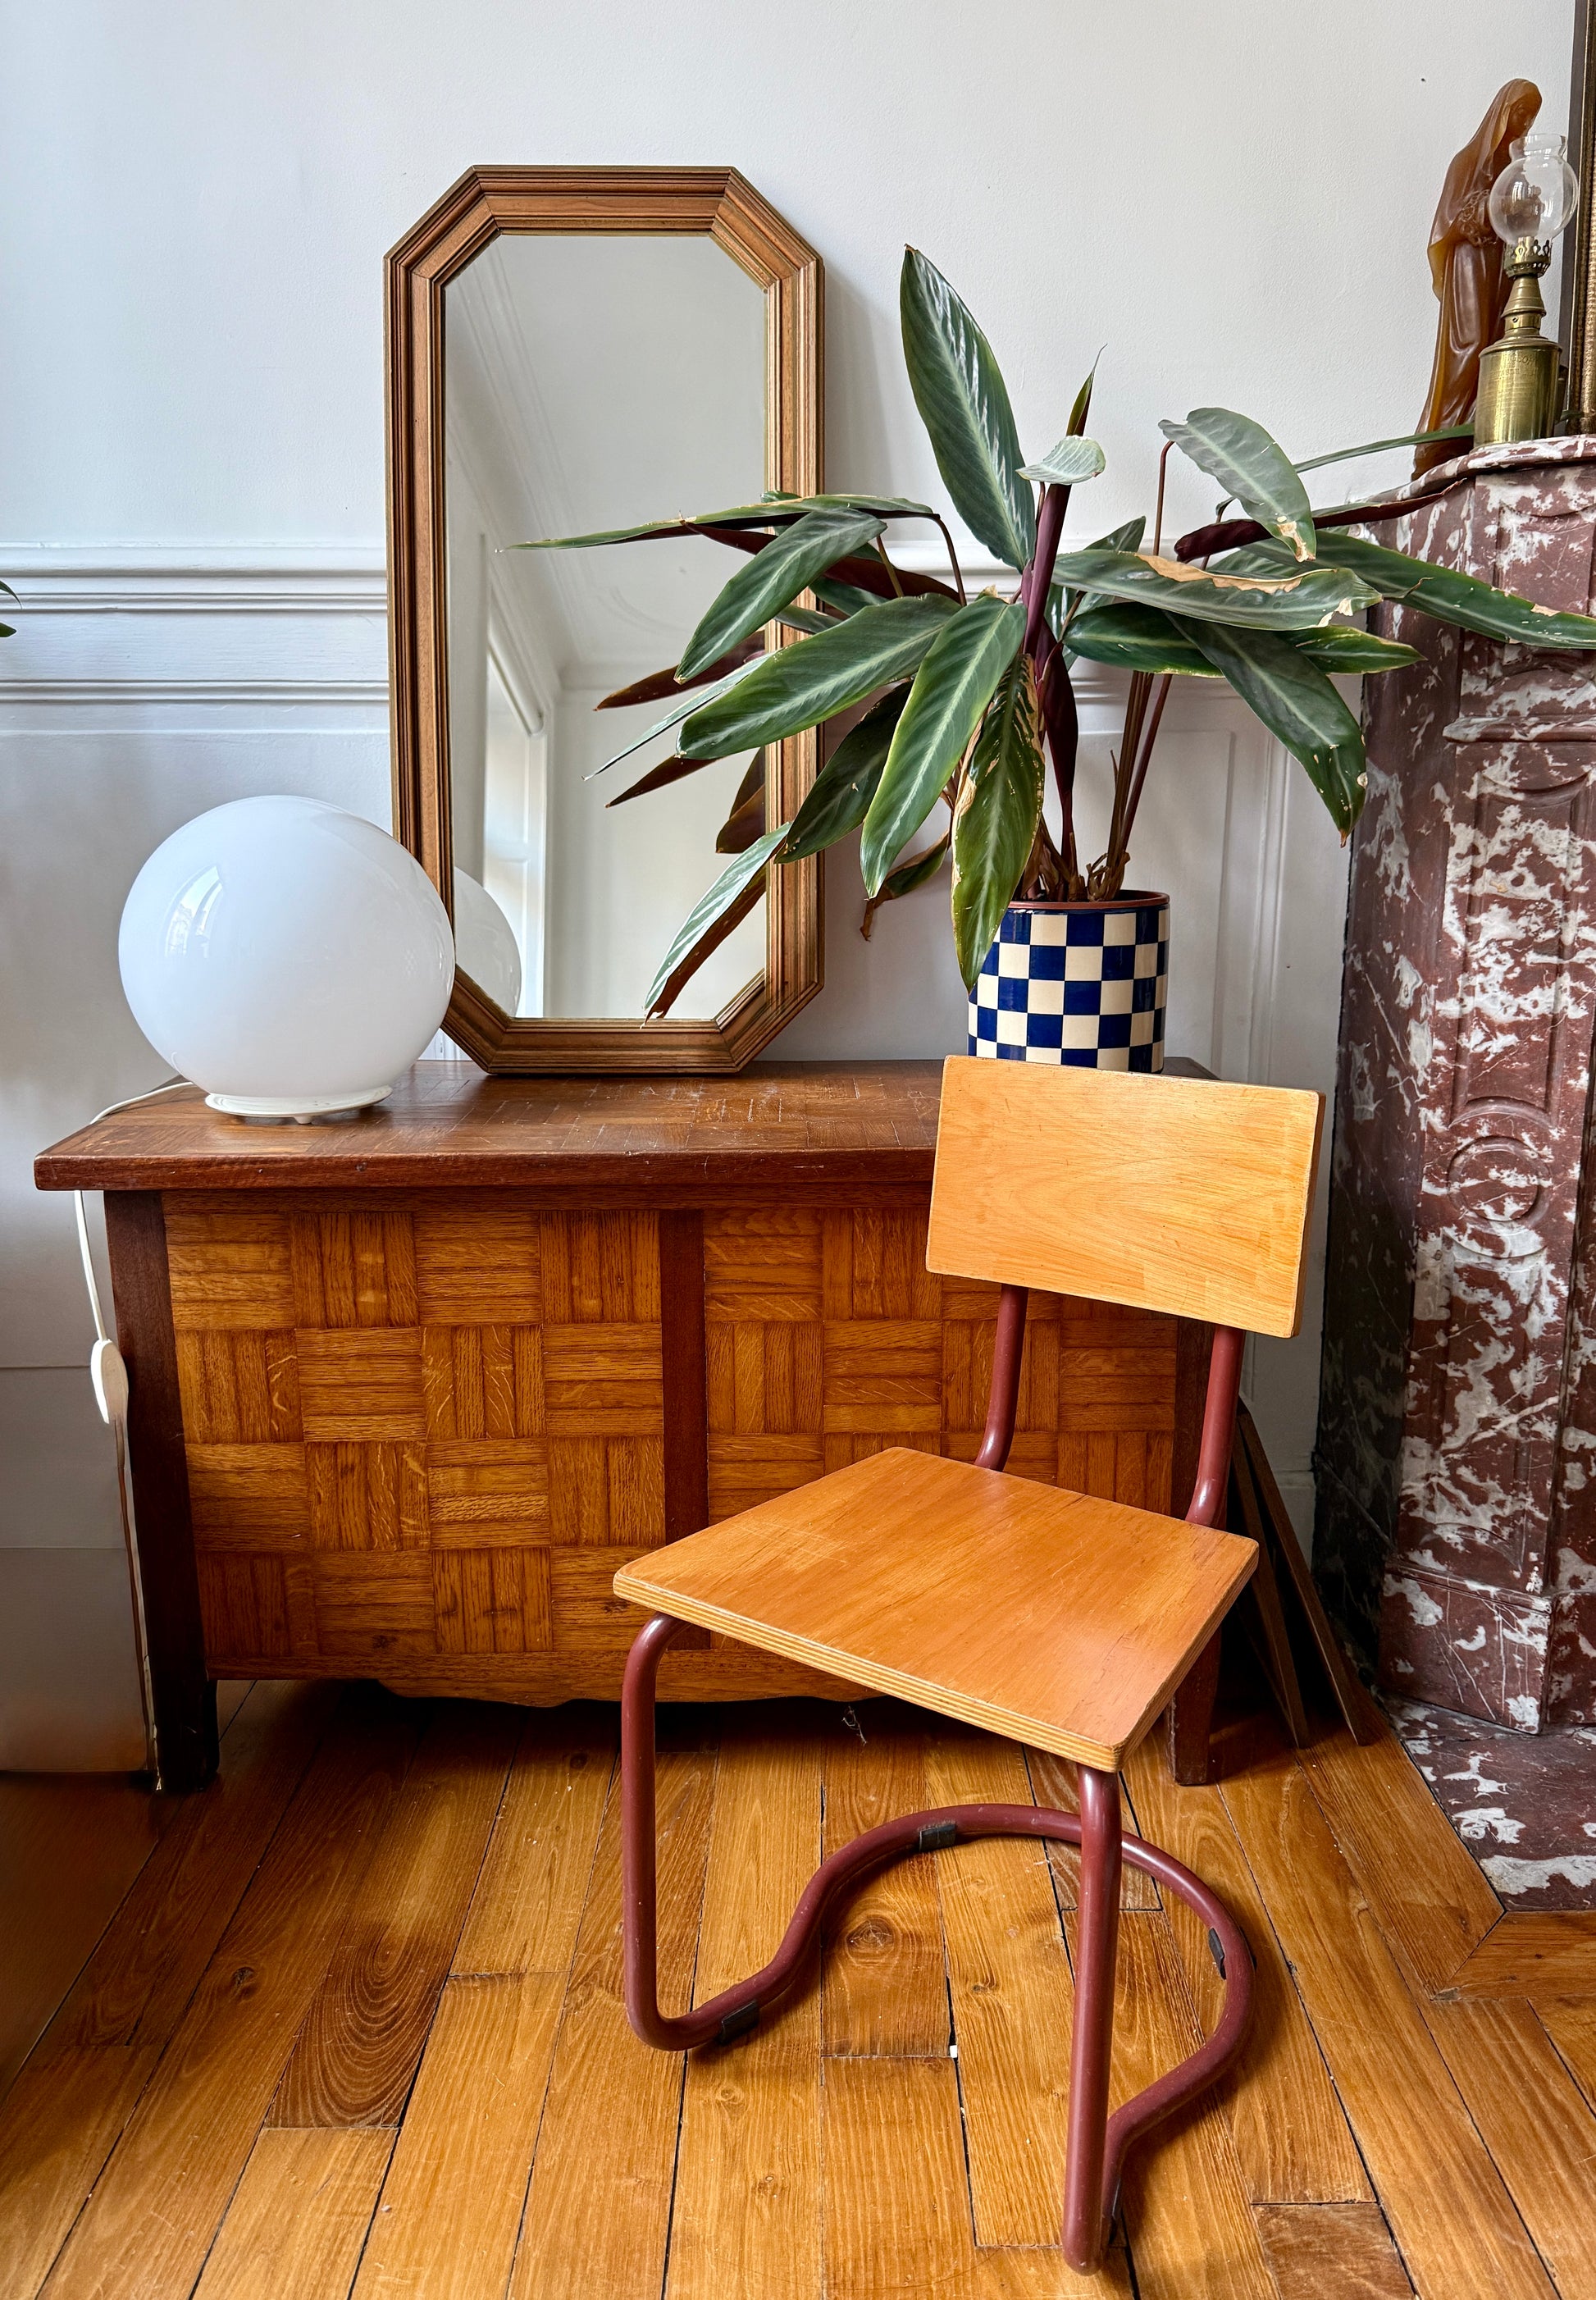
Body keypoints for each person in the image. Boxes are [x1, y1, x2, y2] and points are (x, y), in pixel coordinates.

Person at [1414, 79, 1544, 476]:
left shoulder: (1514, 169)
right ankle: (1445, 435)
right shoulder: (1466, 162)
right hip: (1470, 265)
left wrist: (1529, 207)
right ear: (1500, 113)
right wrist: (1491, 207)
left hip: (1502, 268)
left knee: (1498, 341)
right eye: (1518, 112)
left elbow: (1524, 226)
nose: (1523, 122)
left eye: (1530, 115)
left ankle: (1483, 424)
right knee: (1468, 346)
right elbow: (1448, 223)